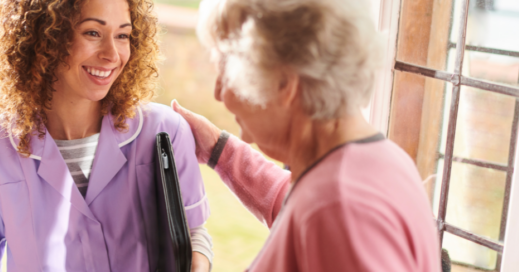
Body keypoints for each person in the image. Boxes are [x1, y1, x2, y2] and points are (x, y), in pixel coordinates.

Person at [169, 0, 442, 270]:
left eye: (225, 69)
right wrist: (219, 149)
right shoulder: (378, 162)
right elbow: (298, 205)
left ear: (285, 83)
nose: (219, 93)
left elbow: (327, 214)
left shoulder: (340, 209)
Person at [0, 0, 212, 271]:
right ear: (47, 36)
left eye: (122, 35)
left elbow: (194, 235)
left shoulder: (164, 133)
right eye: (93, 33)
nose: (112, 54)